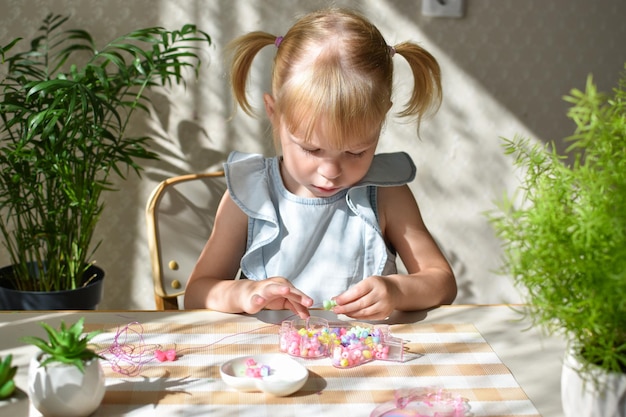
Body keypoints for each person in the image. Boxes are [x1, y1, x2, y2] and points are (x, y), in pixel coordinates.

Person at [185, 7, 457, 320]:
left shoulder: (386, 194)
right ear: (274, 113)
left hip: (365, 364)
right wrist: (245, 293)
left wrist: (396, 290)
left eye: (356, 152)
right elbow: (196, 294)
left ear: (381, 119)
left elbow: (442, 282)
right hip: (270, 365)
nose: (331, 172)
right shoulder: (250, 194)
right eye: (312, 149)